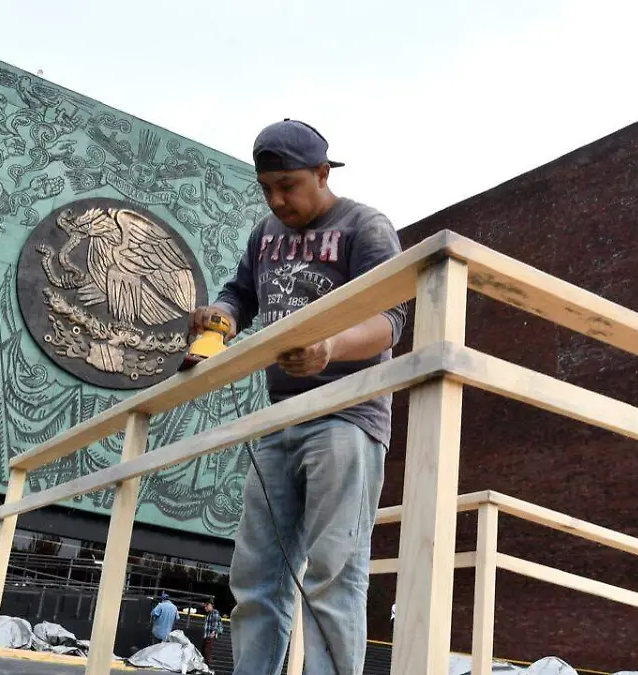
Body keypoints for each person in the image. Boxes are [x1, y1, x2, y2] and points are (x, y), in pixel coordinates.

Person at [191, 119, 407, 675]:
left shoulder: (366, 225)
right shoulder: (264, 233)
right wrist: (224, 315)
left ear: (321, 172)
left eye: (288, 185)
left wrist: (329, 347)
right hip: (281, 418)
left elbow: (392, 320)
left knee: (333, 571)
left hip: (347, 415)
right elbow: (239, 292)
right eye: (266, 188)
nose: (277, 199)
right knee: (257, 574)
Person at [202, 599, 223, 665]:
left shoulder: (215, 612)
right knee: (205, 650)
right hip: (206, 635)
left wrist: (213, 632)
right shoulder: (208, 614)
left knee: (207, 650)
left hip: (210, 635)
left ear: (210, 605)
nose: (205, 608)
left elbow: (215, 623)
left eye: (206, 606)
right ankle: (206, 664)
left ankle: (208, 665)